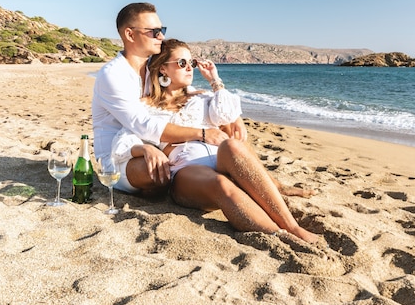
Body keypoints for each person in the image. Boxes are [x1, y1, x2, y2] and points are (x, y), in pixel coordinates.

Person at [111, 39, 320, 243]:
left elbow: (228, 114)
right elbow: (122, 144)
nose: (189, 68)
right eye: (182, 63)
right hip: (187, 169)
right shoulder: (146, 106)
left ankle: (292, 225)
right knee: (221, 183)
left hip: (223, 160)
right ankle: (281, 236)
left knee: (231, 145)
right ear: (163, 69)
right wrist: (145, 149)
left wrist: (214, 80)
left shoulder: (202, 97)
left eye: (191, 62)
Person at [92, 2, 247, 196]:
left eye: (162, 30)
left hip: (151, 146)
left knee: (225, 132)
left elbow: (185, 91)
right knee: (158, 171)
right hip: (121, 157)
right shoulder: (113, 74)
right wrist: (203, 133)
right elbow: (143, 124)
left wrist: (234, 118)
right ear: (130, 35)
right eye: (154, 31)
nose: (161, 36)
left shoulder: (152, 67)